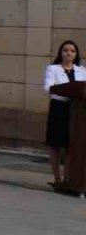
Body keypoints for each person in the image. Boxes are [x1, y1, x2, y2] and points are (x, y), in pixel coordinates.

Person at [42, 40, 80, 189]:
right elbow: (48, 87)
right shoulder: (53, 69)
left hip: (76, 111)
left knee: (72, 145)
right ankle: (57, 178)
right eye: (65, 50)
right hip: (58, 108)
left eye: (72, 51)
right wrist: (68, 89)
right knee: (55, 145)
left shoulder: (82, 70)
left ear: (76, 54)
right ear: (60, 53)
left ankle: (68, 178)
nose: (68, 53)